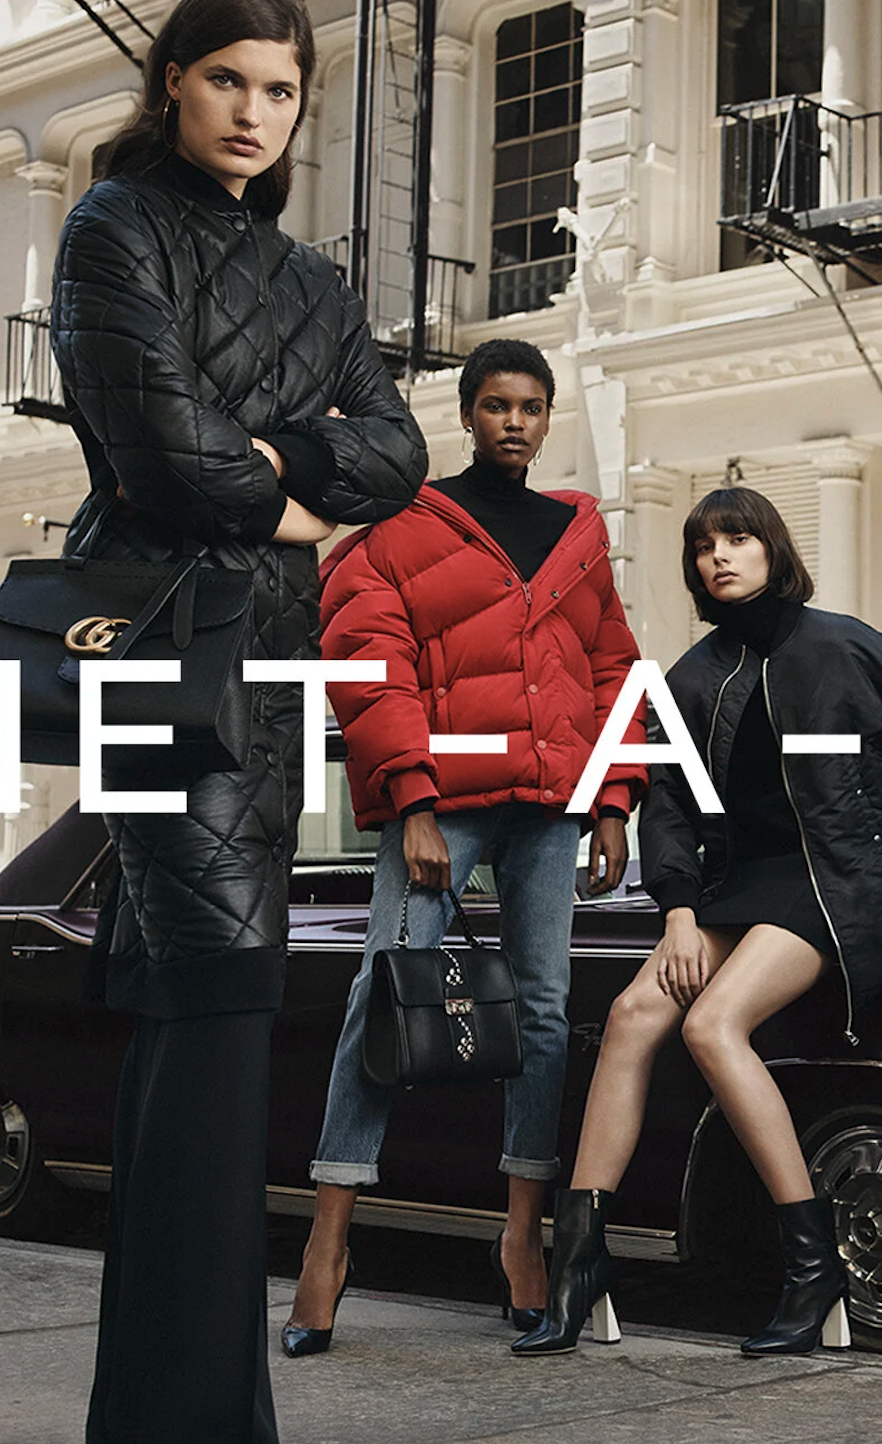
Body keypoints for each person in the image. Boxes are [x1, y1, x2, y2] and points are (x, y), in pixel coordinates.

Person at [50, 0, 429, 1435]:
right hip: (155, 640)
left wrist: (271, 466)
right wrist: (291, 499)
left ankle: (166, 1413)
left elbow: (400, 450)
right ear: (171, 82)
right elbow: (154, 448)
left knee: (196, 1008)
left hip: (267, 665)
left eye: (280, 87)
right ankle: (198, 1417)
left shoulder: (312, 280)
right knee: (211, 1005)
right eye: (227, 79)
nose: (256, 110)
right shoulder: (111, 227)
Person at [511, 485, 882, 1358]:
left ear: (772, 549)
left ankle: (810, 1261)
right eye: (706, 545)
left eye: (738, 539)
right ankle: (580, 1261)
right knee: (635, 1017)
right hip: (743, 884)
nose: (721, 556)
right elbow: (667, 807)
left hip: (849, 876)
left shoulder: (847, 645)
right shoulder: (694, 675)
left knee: (714, 1025)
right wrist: (675, 912)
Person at [280, 339, 646, 1357]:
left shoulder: (577, 529)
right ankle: (329, 1242)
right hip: (446, 800)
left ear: (546, 413)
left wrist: (614, 797)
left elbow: (611, 665)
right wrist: (411, 802)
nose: (515, 422)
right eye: (496, 405)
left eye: (531, 405)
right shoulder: (404, 525)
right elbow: (367, 663)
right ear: (467, 412)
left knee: (538, 1006)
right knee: (385, 989)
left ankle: (520, 1238)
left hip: (552, 804)